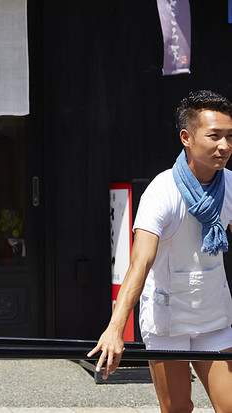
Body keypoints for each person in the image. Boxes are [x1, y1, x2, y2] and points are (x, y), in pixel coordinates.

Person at [89, 90, 232, 413]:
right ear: (186, 137)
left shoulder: (230, 185)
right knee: (178, 409)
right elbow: (140, 264)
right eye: (214, 136)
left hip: (213, 314)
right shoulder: (162, 191)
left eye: (229, 136)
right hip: (166, 318)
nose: (224, 146)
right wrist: (115, 329)